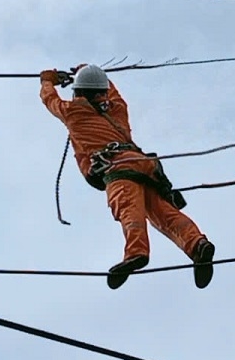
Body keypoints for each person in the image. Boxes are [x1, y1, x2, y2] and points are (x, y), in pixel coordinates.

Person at [40, 63, 216, 290]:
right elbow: (113, 93)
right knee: (164, 214)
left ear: (79, 92)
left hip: (118, 168)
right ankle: (197, 244)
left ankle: (136, 252)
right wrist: (89, 70)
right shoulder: (117, 111)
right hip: (144, 166)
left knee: (128, 208)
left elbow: (50, 100)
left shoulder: (73, 113)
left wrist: (47, 80)